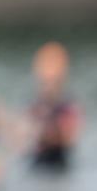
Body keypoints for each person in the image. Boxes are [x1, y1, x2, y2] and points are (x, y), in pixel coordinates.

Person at [28, 41, 82, 172]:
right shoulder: (35, 104)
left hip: (59, 164)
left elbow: (70, 137)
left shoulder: (67, 105)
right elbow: (24, 134)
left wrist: (43, 133)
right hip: (37, 163)